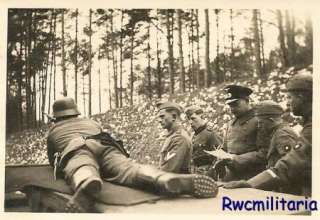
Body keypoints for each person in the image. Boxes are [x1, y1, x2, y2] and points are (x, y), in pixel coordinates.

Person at [47, 98, 219, 213]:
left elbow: (51, 160)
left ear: (57, 117)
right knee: (129, 168)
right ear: (76, 113)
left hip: (77, 148)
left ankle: (87, 181)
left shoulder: (54, 130)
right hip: (104, 146)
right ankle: (161, 178)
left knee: (81, 166)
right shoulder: (91, 123)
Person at [223, 73, 312, 196]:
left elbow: (291, 165)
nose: (287, 102)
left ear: (301, 96)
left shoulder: (285, 133)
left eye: (290, 97)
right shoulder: (308, 125)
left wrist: (251, 183)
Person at [224, 100, 299, 194]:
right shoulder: (277, 132)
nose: (259, 126)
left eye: (261, 122)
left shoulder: (282, 134)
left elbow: (290, 166)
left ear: (271, 120)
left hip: (288, 189)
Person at [207, 85, 268, 181]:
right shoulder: (230, 124)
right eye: (230, 105)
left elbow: (264, 153)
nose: (232, 108)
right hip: (231, 176)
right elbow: (225, 148)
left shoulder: (258, 121)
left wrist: (237, 159)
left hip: (251, 176)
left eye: (236, 104)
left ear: (247, 101)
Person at [184, 105, 222, 174]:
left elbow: (220, 158)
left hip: (208, 175)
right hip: (194, 173)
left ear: (202, 117)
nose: (190, 122)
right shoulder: (192, 136)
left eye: (193, 118)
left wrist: (210, 172)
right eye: (188, 119)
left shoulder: (210, 134)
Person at [157, 102, 192, 173]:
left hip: (177, 183)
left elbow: (169, 170)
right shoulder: (172, 136)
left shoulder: (179, 138)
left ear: (174, 117)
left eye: (162, 116)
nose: (159, 120)